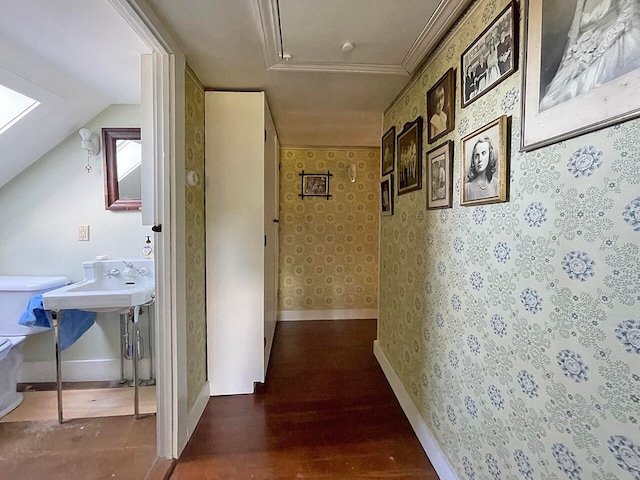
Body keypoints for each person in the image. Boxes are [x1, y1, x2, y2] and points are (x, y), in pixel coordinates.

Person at [540, 0, 640, 110]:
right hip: (581, 51)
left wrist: (602, 46)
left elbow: (629, 14)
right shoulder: (581, 3)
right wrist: (574, 57)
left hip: (611, 42)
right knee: (548, 102)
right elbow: (574, 36)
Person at [465, 136, 499, 201]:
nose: (480, 159)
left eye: (483, 153)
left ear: (490, 155)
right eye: (476, 156)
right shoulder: (467, 188)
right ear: (473, 160)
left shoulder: (496, 184)